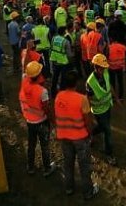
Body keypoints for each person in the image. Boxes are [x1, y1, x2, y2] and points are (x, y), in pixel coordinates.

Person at [55, 70, 99, 200]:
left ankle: (69, 188)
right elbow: (88, 121)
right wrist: (90, 134)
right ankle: (88, 192)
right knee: (84, 166)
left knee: (68, 164)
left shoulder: (58, 97)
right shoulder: (82, 99)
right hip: (80, 138)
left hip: (64, 137)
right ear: (76, 83)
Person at [20, 61, 55, 176]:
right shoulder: (42, 92)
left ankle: (30, 167)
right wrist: (53, 121)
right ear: (39, 75)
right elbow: (46, 109)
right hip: (41, 122)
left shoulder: (25, 82)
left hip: (30, 121)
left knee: (31, 144)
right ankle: (47, 168)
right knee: (44, 145)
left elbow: (25, 73)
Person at [86, 53, 121, 166]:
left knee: (102, 127)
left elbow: (109, 85)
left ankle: (90, 134)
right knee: (108, 132)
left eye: (105, 67)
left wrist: (116, 98)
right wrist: (89, 116)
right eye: (102, 67)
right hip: (99, 111)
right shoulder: (90, 82)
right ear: (96, 67)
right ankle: (109, 154)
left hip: (107, 106)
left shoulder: (105, 72)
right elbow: (88, 100)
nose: (104, 69)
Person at [50, 26, 73, 99]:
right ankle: (62, 94)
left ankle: (53, 93)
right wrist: (71, 61)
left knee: (55, 77)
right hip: (63, 62)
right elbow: (69, 54)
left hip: (55, 60)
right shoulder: (66, 41)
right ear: (63, 32)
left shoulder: (54, 38)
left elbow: (52, 48)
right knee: (63, 79)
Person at [8, 11, 22, 75]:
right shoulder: (16, 24)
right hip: (16, 41)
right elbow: (18, 33)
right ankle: (17, 67)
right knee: (17, 55)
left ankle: (15, 67)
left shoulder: (9, 24)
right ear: (15, 17)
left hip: (11, 41)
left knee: (14, 54)